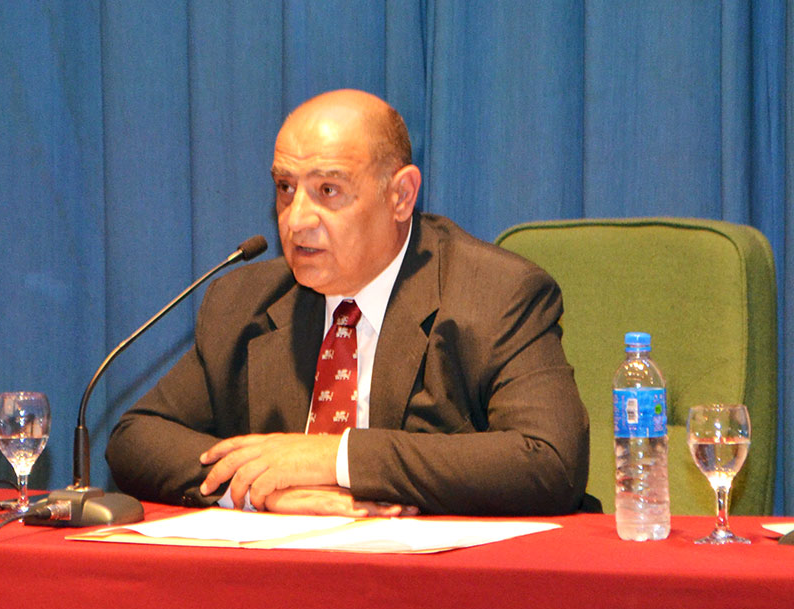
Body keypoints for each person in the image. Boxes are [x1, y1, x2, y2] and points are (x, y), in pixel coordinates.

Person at [107, 89, 589, 517]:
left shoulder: (495, 294)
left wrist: (334, 458)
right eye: (285, 188)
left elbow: (551, 461)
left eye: (328, 190)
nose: (296, 219)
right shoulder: (244, 302)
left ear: (401, 196)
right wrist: (260, 487)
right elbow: (137, 436)